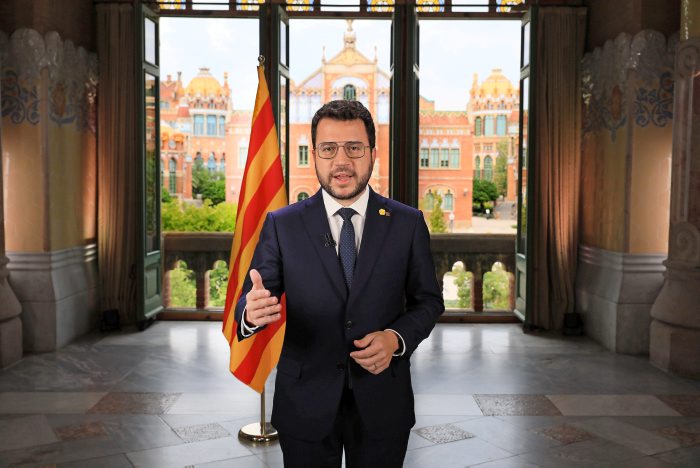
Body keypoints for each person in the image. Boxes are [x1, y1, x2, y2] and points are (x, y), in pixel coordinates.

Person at [234, 100, 444, 467]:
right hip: (304, 402)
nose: (342, 161)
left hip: (383, 401)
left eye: (354, 148)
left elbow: (428, 301)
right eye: (329, 149)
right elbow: (249, 301)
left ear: (373, 154)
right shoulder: (282, 225)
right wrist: (251, 314)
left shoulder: (407, 223)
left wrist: (396, 339)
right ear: (313, 154)